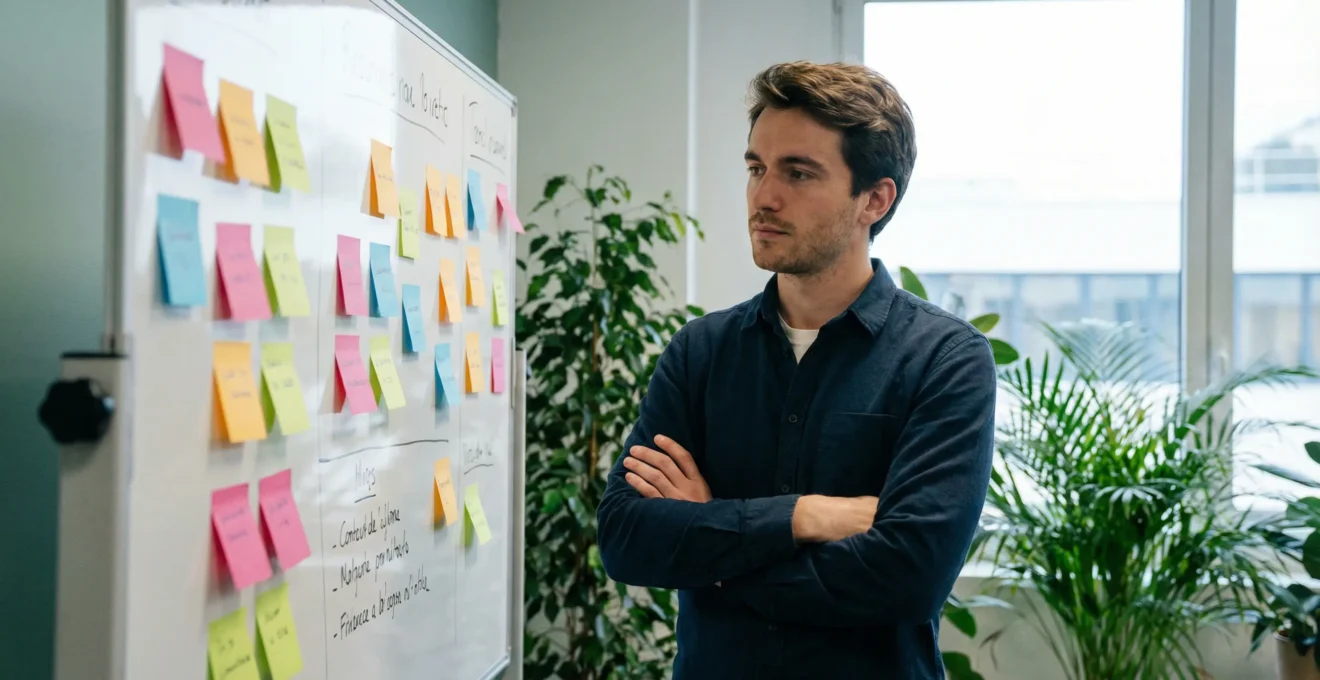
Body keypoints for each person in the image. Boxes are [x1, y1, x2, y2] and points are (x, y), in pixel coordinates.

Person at [595, 60, 997, 679]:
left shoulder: (945, 360)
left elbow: (907, 578)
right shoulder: (700, 353)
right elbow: (627, 538)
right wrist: (806, 516)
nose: (764, 196)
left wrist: (713, 544)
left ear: (875, 197)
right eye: (756, 168)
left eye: (798, 173)